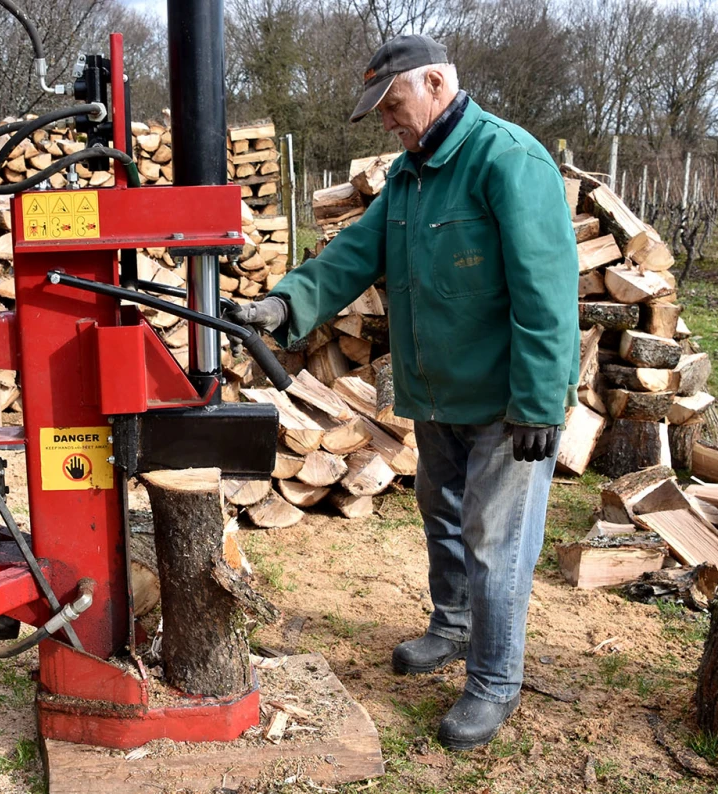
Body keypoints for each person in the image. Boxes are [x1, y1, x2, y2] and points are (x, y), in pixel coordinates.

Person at [228, 33, 580, 750]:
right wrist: (285, 304)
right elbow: (355, 254)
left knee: (495, 541)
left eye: (392, 105)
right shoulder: (411, 176)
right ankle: (452, 625)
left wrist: (542, 400)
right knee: (442, 515)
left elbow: (547, 290)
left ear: (437, 85)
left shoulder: (507, 160)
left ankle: (494, 680)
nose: (387, 121)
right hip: (438, 395)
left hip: (506, 402)